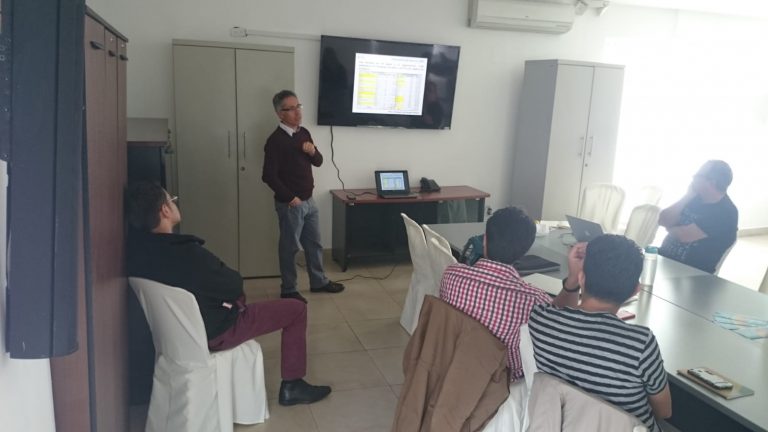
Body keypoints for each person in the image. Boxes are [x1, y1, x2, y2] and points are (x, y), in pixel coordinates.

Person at [125, 181, 331, 406]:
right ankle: (293, 385)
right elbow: (234, 285)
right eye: (172, 201)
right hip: (216, 331)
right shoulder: (188, 253)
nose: (175, 204)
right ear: (165, 210)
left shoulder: (137, 251)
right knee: (296, 309)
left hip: (176, 336)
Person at [528, 235, 672, 432]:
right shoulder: (640, 343)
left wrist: (572, 281)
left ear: (582, 278)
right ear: (635, 290)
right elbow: (664, 412)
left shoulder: (540, 320)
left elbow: (557, 311)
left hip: (556, 425)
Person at [439, 206, 579, 381]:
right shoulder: (533, 300)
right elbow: (564, 324)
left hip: (453, 363)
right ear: (525, 250)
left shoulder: (451, 274)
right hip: (502, 382)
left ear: (485, 240)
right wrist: (573, 281)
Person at [262, 90, 344, 303]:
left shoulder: (304, 133)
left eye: (298, 106)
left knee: (314, 244)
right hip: (291, 204)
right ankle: (288, 289)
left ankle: (318, 282)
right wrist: (290, 198)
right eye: (291, 109)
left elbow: (319, 161)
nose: (298, 112)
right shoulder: (275, 141)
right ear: (280, 114)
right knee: (289, 248)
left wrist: (312, 152)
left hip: (309, 201)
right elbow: (268, 176)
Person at [658, 160, 738, 273]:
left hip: (690, 273)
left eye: (697, 175)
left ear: (711, 182)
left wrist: (669, 227)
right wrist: (687, 196)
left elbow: (683, 236)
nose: (693, 178)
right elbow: (662, 219)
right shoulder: (695, 198)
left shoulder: (725, 213)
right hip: (664, 259)